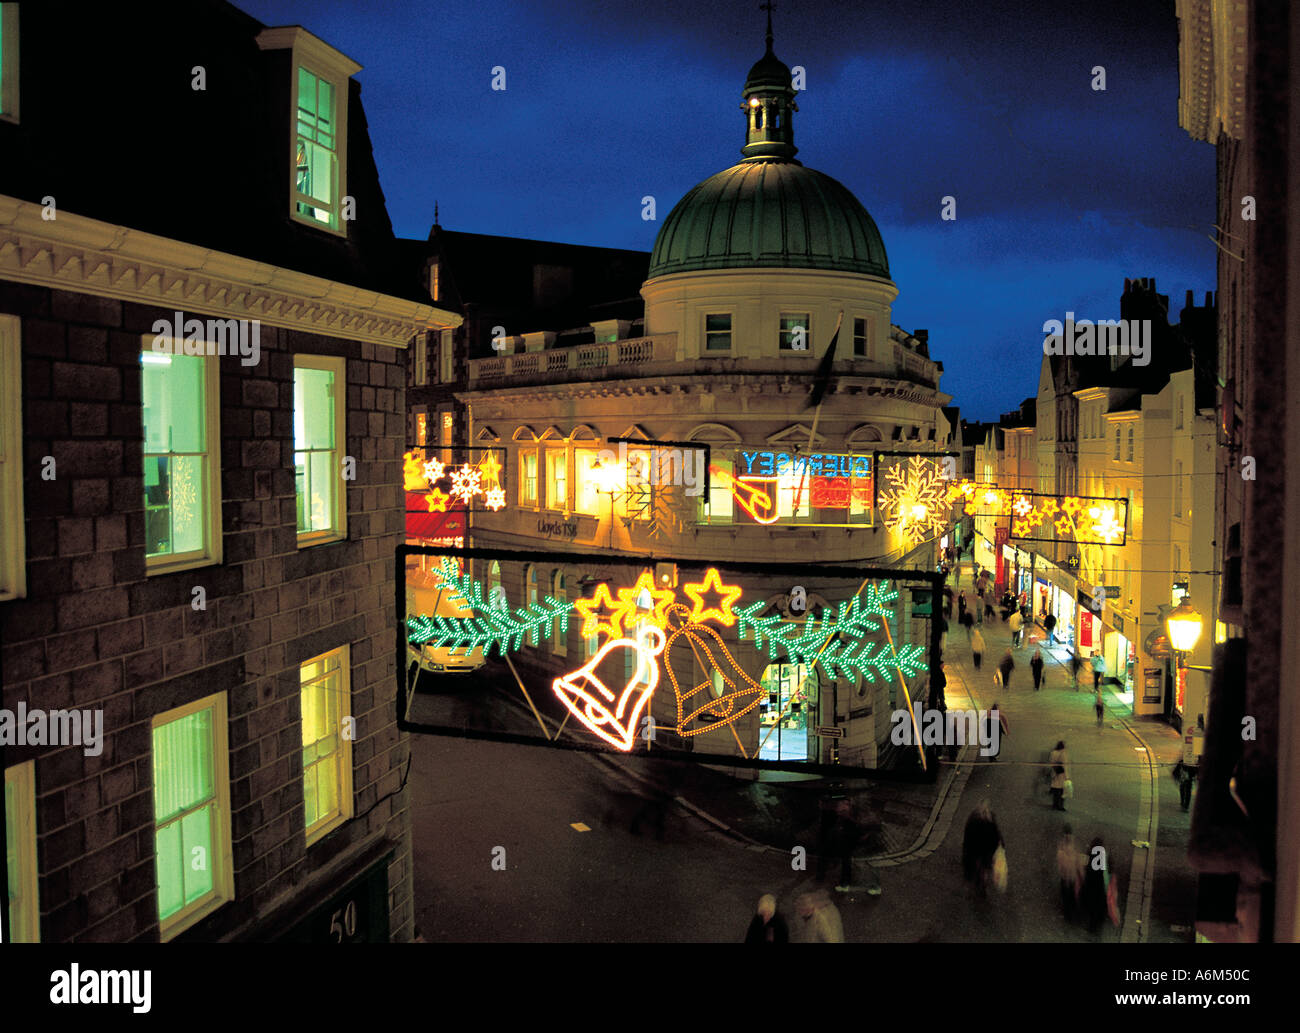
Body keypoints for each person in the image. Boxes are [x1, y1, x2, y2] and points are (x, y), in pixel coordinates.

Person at [961, 800, 1004, 895]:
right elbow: (996, 834)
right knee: (984, 863)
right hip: (984, 845)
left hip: (978, 845)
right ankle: (981, 881)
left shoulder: (973, 820)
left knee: (978, 862)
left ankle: (977, 879)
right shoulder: (989, 820)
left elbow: (967, 838)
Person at [1080, 837, 1111, 933]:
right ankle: (1097, 924)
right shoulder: (1103, 857)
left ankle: (1092, 926)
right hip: (1099, 888)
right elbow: (1105, 874)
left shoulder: (1090, 854)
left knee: (1092, 907)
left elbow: (1085, 869)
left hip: (1091, 886)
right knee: (1098, 907)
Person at [1056, 825, 1085, 921]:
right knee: (1071, 895)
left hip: (1065, 877)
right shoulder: (1074, 847)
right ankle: (1072, 912)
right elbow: (1079, 864)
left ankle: (1067, 914)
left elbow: (1060, 865)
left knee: (1066, 895)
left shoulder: (1061, 848)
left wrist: (1062, 872)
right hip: (1072, 877)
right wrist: (1082, 875)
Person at [1048, 739, 1069, 810]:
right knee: (1062, 791)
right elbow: (1065, 765)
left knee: (1056, 791)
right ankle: (1060, 806)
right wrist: (1067, 777)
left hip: (1055, 773)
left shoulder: (1053, 752)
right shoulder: (1063, 753)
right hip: (1062, 775)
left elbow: (1051, 762)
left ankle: (1055, 804)